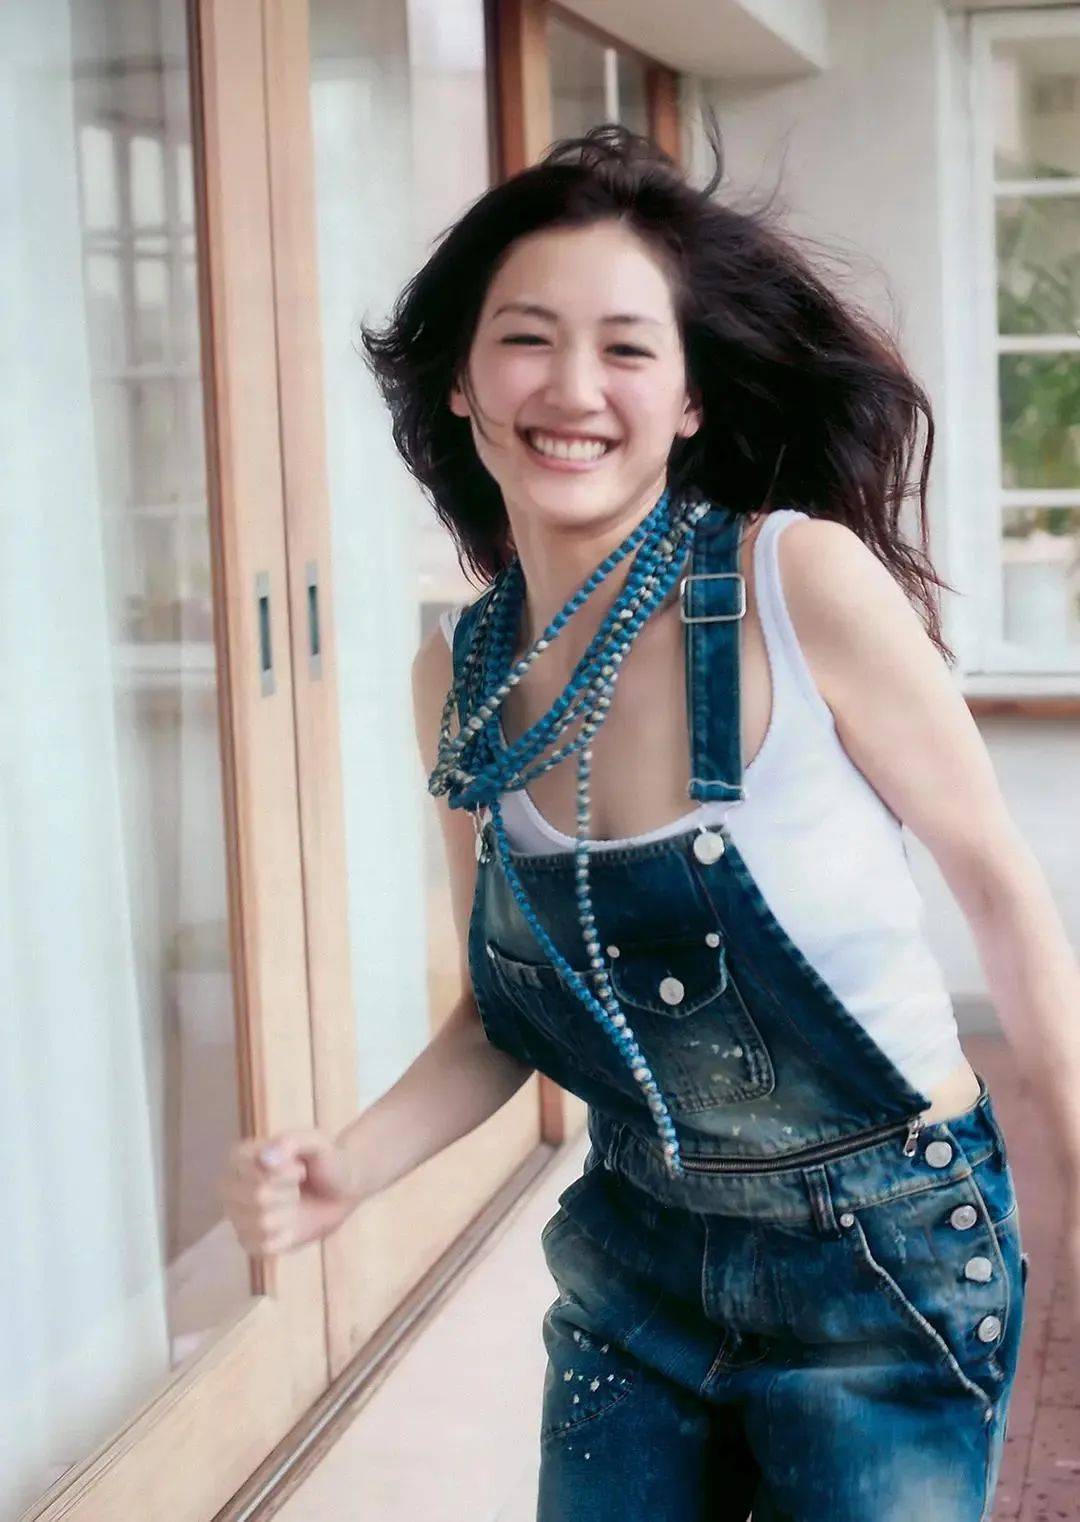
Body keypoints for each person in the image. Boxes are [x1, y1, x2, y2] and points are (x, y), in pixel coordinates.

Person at [218, 122, 1080, 1519]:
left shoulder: (797, 583)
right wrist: (347, 1167)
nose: (574, 388)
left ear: (686, 400)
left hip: (883, 1265)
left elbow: (1000, 887)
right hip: (636, 1264)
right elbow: (505, 1015)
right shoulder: (459, 675)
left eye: (626, 347)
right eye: (527, 338)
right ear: (461, 380)